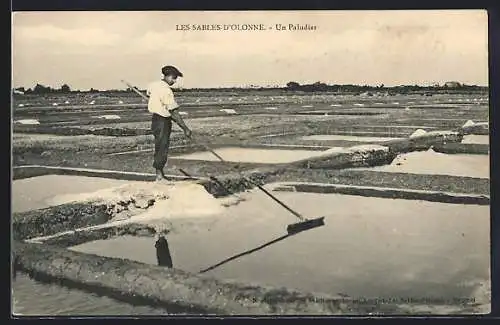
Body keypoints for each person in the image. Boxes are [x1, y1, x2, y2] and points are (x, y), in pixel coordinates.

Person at [146, 65, 192, 181]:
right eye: (174, 78)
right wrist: (185, 128)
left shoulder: (153, 85)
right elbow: (174, 112)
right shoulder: (166, 91)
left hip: (156, 119)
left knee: (160, 145)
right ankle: (159, 175)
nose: (175, 81)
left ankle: (160, 173)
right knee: (162, 146)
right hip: (162, 121)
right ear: (168, 76)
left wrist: (157, 102)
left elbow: (148, 94)